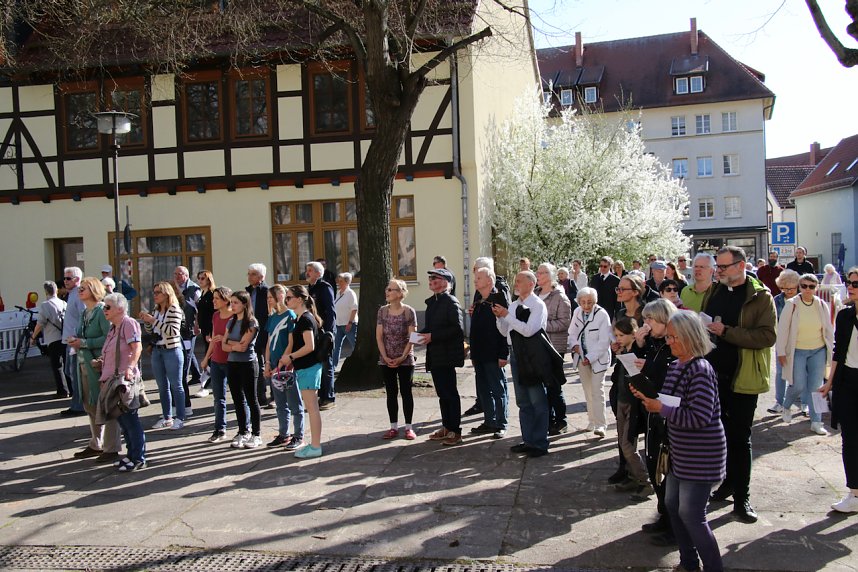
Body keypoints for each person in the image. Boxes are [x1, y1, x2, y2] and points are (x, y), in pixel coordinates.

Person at [631, 312, 726, 572]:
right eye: (669, 336)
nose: (669, 341)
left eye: (674, 337)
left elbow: (699, 416)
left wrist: (660, 406)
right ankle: (688, 563)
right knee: (673, 505)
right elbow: (671, 401)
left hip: (701, 454)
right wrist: (648, 396)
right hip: (681, 453)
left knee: (693, 516)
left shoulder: (700, 369)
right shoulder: (677, 365)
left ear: (690, 338)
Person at [703, 246, 776, 524]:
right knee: (720, 435)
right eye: (717, 267)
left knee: (740, 437)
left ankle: (742, 497)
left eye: (722, 267)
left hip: (744, 375)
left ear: (740, 266)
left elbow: (767, 336)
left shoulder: (759, 296)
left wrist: (727, 332)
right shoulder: (716, 290)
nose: (718, 272)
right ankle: (728, 482)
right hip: (714, 373)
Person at [494, 271, 561, 458]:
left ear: (531, 284)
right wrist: (500, 317)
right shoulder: (514, 305)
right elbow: (505, 331)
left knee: (537, 400)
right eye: (515, 281)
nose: (516, 284)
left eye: (519, 281)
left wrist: (507, 315)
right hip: (516, 355)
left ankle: (540, 442)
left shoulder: (537, 305)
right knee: (523, 401)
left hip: (532, 357)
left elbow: (529, 331)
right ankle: (528, 439)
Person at [635, 299, 678, 542]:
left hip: (667, 410)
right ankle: (664, 514)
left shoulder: (673, 342)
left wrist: (648, 364)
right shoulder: (655, 342)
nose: (647, 324)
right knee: (653, 463)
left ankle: (674, 526)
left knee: (667, 467)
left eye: (650, 319)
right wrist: (640, 345)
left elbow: (671, 370)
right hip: (652, 409)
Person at [776, 273, 833, 435]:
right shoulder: (791, 304)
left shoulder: (821, 305)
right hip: (797, 351)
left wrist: (831, 348)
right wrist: (781, 352)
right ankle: (786, 406)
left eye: (812, 286)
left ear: (816, 288)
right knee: (798, 384)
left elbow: (828, 329)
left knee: (816, 387)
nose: (808, 289)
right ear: (799, 287)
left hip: (818, 350)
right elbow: (782, 330)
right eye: (804, 286)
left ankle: (816, 421)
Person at [821, 268, 858, 513]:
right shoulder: (845, 316)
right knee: (850, 439)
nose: (851, 286)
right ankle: (854, 492)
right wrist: (829, 382)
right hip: (847, 381)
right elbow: (838, 352)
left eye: (855, 283)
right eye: (848, 282)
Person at [68, 277, 116, 462]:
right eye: (79, 288)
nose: (79, 290)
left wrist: (84, 343)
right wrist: (75, 340)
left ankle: (110, 446)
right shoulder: (84, 313)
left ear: (94, 290)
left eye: (83, 288)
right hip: (83, 363)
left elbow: (108, 338)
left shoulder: (101, 311)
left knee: (103, 404)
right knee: (89, 404)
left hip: (98, 365)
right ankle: (96, 443)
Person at [99, 292, 147, 472]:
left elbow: (137, 347)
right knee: (123, 421)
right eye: (104, 306)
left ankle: (138, 457)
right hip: (112, 381)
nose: (104, 310)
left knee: (130, 419)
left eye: (108, 307)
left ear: (120, 309)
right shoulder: (114, 327)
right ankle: (131, 455)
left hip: (123, 381)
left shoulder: (128, 323)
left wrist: (129, 367)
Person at [420, 267, 466, 446]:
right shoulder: (433, 303)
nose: (431, 281)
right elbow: (431, 328)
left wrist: (432, 336)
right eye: (430, 278)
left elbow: (457, 329)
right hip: (435, 355)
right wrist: (418, 336)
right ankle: (447, 427)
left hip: (446, 356)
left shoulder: (451, 302)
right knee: (442, 394)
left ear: (446, 283)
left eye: (436, 278)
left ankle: (455, 431)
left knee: (450, 394)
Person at [278, 285, 324, 458]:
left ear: (299, 299)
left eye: (289, 297)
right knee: (311, 408)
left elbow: (309, 346)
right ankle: (314, 444)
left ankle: (316, 446)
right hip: (306, 367)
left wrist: (290, 357)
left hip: (309, 367)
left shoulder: (305, 319)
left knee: (312, 409)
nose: (286, 300)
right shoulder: (301, 318)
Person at [610, 317, 652, 495]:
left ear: (633, 335)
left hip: (633, 403)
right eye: (616, 335)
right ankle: (633, 477)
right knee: (623, 443)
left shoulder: (637, 351)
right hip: (621, 400)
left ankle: (644, 480)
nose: (617, 338)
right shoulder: (623, 350)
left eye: (621, 335)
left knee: (627, 445)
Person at [468, 267, 510, 439]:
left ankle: (501, 423)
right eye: (475, 277)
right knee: (483, 389)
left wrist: (503, 354)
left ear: (489, 281)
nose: (475, 280)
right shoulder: (478, 298)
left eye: (479, 278)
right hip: (479, 352)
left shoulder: (498, 299)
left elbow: (505, 328)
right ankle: (489, 421)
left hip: (493, 353)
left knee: (498, 389)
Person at [200, 286, 245, 444]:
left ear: (226, 300)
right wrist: (206, 358)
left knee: (239, 397)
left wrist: (224, 339)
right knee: (218, 398)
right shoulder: (215, 316)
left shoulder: (235, 316)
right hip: (217, 360)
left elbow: (242, 341)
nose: (213, 301)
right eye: (213, 298)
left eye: (217, 298)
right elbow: (213, 339)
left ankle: (244, 428)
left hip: (233, 361)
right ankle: (219, 429)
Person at [376, 279, 418, 440]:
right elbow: (379, 337)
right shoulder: (382, 311)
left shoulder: (409, 311)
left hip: (405, 359)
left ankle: (409, 427)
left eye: (391, 289)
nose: (387, 292)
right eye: (387, 289)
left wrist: (402, 357)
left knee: (406, 392)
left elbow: (413, 337)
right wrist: (385, 357)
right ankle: (393, 426)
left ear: (400, 293)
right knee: (391, 392)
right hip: (386, 358)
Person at [141, 281, 187, 430]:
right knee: (162, 386)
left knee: (176, 385)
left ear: (166, 294)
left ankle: (180, 417)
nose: (154, 296)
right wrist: (147, 321)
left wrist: (153, 320)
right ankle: (167, 417)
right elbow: (151, 331)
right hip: (158, 350)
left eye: (157, 293)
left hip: (172, 350)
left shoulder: (174, 309)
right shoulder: (156, 310)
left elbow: (173, 331)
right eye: (153, 292)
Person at [263, 284, 304, 451]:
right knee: (280, 402)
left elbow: (291, 342)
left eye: (270, 297)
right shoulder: (272, 318)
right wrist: (267, 362)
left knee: (294, 401)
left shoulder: (290, 316)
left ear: (280, 295)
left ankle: (298, 435)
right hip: (273, 364)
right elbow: (268, 342)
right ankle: (283, 434)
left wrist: (281, 364)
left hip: (286, 364)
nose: (268, 300)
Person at [568, 287, 612, 437]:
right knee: (587, 391)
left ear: (595, 302)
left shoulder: (602, 315)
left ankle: (601, 424)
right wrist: (574, 345)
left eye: (590, 302)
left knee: (597, 391)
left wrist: (590, 357)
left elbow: (604, 341)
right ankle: (592, 420)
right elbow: (572, 333)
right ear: (579, 302)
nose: (586, 306)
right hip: (581, 357)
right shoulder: (577, 312)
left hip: (598, 359)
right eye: (583, 302)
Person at [222, 291, 262, 449]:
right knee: (238, 400)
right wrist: (234, 344)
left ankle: (256, 434)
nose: (232, 305)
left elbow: (243, 346)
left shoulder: (251, 322)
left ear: (245, 304)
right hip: (232, 363)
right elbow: (224, 346)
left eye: (235, 302)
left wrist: (231, 344)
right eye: (231, 302)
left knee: (252, 400)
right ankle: (243, 431)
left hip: (248, 364)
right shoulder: (231, 321)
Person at [536, 263, 572, 435]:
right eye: (538, 272)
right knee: (541, 386)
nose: (539, 275)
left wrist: (541, 325)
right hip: (536, 345)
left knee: (553, 385)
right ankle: (547, 419)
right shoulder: (535, 294)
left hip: (553, 346)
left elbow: (564, 322)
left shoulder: (559, 297)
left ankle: (561, 420)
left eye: (543, 272)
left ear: (551, 276)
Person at [766, 270, 800, 415]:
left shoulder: (802, 299)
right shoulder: (777, 300)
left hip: (799, 340)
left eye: (791, 288)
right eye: (785, 288)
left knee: (799, 373)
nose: (788, 291)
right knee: (780, 372)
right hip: (782, 340)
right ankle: (779, 402)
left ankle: (802, 403)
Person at [306, 261, 336, 409]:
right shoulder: (310, 288)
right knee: (317, 363)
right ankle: (320, 395)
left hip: (324, 332)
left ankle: (328, 397)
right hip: (314, 330)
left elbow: (330, 311)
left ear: (318, 273)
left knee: (326, 364)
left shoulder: (325, 287)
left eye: (310, 270)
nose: (307, 273)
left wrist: (329, 332)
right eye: (307, 270)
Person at [32, 281, 69, 398]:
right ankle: (71, 389)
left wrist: (33, 337)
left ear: (46, 292)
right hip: (65, 337)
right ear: (56, 290)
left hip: (53, 338)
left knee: (57, 365)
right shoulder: (63, 303)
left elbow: (40, 323)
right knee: (67, 364)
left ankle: (62, 390)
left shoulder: (45, 305)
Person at [174, 266, 201, 414]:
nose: (178, 276)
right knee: (187, 356)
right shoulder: (173, 288)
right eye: (176, 274)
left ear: (187, 275)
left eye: (181, 274)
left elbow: (199, 308)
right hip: (177, 330)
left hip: (189, 330)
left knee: (185, 363)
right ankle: (196, 374)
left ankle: (186, 405)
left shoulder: (193, 289)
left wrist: (198, 324)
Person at [60, 266, 86, 416]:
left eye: (68, 278)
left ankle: (78, 405)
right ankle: (78, 403)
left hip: (75, 341)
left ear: (77, 279)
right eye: (64, 278)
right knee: (69, 372)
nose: (65, 281)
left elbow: (84, 316)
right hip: (70, 340)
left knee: (75, 374)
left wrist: (79, 338)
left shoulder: (78, 295)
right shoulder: (72, 295)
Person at [246, 263, 270, 407]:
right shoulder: (247, 291)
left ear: (261, 277)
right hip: (252, 330)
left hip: (265, 330)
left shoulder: (267, 291)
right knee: (256, 364)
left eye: (253, 274)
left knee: (268, 363)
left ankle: (273, 396)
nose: (249, 277)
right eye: (248, 274)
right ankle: (260, 395)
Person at [194, 270, 217, 397]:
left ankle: (206, 385)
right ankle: (209, 383)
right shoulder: (203, 293)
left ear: (209, 280)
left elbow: (212, 316)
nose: (200, 280)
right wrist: (197, 324)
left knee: (209, 357)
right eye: (199, 278)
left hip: (210, 331)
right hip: (204, 330)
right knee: (209, 356)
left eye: (203, 278)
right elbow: (201, 313)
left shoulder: (212, 294)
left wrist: (209, 332)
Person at [333, 272, 358, 368]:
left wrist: (350, 322)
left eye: (341, 281)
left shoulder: (350, 293)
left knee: (354, 344)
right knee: (336, 347)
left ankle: (358, 364)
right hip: (338, 324)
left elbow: (354, 309)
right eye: (338, 281)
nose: (339, 283)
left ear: (347, 282)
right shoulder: (338, 293)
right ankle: (334, 366)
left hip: (348, 324)